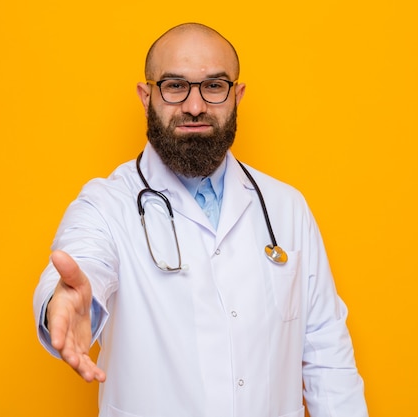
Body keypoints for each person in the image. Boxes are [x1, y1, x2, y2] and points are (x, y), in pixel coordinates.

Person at [33, 22, 368, 417]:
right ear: (146, 96)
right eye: (175, 86)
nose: (195, 106)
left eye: (214, 86)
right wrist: (66, 301)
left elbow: (327, 354)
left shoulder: (286, 207)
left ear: (237, 96)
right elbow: (85, 260)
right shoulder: (106, 204)